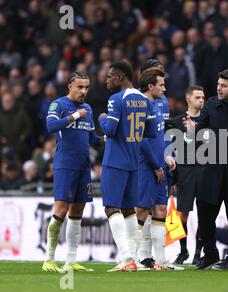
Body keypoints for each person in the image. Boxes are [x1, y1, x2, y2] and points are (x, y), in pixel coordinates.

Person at [183, 69, 228, 270]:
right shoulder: (210, 105)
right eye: (218, 84)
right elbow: (201, 125)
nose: (219, 88)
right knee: (205, 212)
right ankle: (210, 255)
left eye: (224, 85)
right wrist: (194, 128)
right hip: (212, 167)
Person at [42, 71, 100, 273]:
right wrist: (74, 116)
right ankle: (49, 259)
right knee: (60, 211)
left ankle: (71, 261)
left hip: (84, 166)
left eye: (86, 87)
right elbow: (50, 126)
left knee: (77, 212)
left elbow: (93, 139)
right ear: (69, 86)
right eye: (80, 87)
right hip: (65, 164)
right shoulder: (59, 105)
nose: (84, 91)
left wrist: (113, 135)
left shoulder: (88, 108)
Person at [99, 61, 154, 272]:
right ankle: (133, 259)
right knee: (129, 209)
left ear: (121, 77)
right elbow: (151, 132)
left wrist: (103, 120)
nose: (107, 79)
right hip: (133, 162)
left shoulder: (115, 100)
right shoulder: (144, 100)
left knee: (111, 207)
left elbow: (111, 130)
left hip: (115, 161)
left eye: (110, 76)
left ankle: (126, 257)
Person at [135, 67, 181, 271]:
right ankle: (135, 258)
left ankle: (160, 259)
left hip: (160, 164)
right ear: (150, 86)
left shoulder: (157, 105)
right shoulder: (141, 105)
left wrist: (166, 156)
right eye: (161, 84)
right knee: (142, 210)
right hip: (146, 166)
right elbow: (142, 140)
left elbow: (158, 138)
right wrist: (155, 165)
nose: (164, 88)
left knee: (161, 209)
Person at [170, 85, 206, 265]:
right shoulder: (177, 121)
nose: (201, 100)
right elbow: (171, 147)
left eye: (203, 97)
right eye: (198, 97)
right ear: (188, 99)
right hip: (185, 171)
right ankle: (183, 250)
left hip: (204, 170)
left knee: (204, 213)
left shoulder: (208, 120)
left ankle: (198, 253)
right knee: (182, 214)